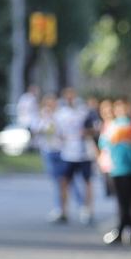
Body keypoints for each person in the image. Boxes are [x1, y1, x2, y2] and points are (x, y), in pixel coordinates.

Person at [100, 98, 131, 246]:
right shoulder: (111, 126)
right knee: (122, 201)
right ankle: (123, 228)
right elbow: (103, 143)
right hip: (117, 168)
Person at [54, 88, 95, 224]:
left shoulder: (84, 111)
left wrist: (87, 132)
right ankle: (63, 211)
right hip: (68, 153)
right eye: (67, 96)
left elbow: (94, 129)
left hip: (84, 154)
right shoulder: (60, 114)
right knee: (64, 181)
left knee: (87, 182)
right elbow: (57, 132)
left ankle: (88, 211)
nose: (70, 98)